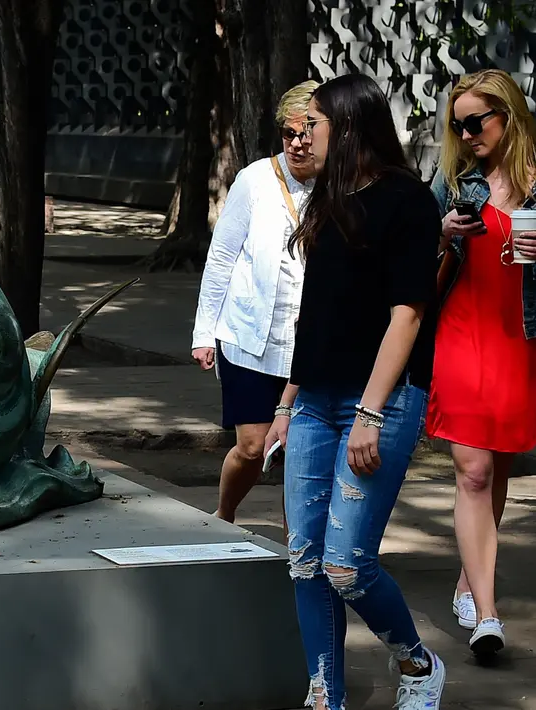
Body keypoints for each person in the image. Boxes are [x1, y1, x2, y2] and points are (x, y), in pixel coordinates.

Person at [264, 74, 446, 710]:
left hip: (382, 403)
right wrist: (287, 405)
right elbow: (313, 316)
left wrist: (370, 412)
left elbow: (409, 316)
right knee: (304, 559)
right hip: (313, 400)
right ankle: (324, 697)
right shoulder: (328, 198)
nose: (303, 134)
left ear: (349, 126)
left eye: (314, 122)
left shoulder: (408, 202)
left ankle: (418, 664)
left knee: (347, 564)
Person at [427, 68, 536, 657]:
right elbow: (409, 264)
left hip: (519, 338)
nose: (466, 134)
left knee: (499, 465)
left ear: (509, 116)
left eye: (476, 122)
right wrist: (440, 236)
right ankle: (486, 618)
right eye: (458, 124)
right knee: (472, 471)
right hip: (461, 336)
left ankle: (473, 578)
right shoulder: (451, 182)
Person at [191, 79, 320, 523]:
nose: (298, 144)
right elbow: (222, 256)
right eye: (290, 134)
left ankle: (298, 552)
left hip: (308, 342)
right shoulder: (255, 180)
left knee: (300, 452)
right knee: (252, 446)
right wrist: (203, 333)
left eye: (307, 133)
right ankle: (224, 513)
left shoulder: (338, 184)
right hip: (248, 336)